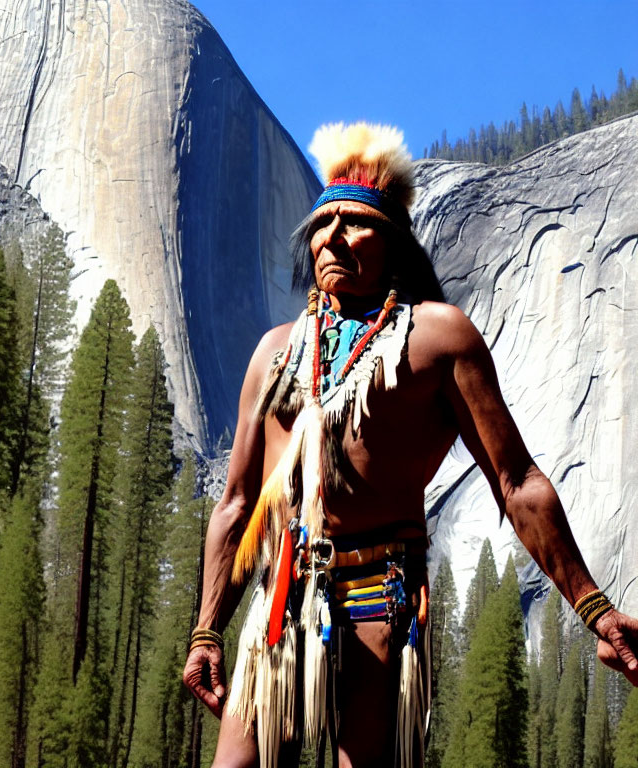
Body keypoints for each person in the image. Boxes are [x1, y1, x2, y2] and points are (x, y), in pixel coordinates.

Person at [183, 122, 638, 768]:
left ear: (393, 241)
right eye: (322, 221)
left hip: (381, 594)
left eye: (354, 222)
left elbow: (517, 481)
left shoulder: (438, 339)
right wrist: (207, 630)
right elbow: (235, 506)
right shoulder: (276, 352)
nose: (333, 236)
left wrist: (593, 607)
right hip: (282, 594)